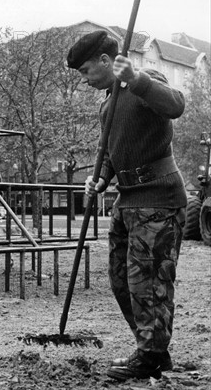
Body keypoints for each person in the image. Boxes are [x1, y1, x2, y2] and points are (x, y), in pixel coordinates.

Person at [67, 30, 187, 381]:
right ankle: (150, 349)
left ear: (107, 61)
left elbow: (176, 105)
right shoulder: (108, 102)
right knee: (123, 281)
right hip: (127, 201)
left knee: (149, 284)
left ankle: (152, 355)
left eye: (88, 70)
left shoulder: (145, 82)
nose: (85, 79)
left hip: (158, 200)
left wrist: (135, 78)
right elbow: (110, 150)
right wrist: (100, 178)